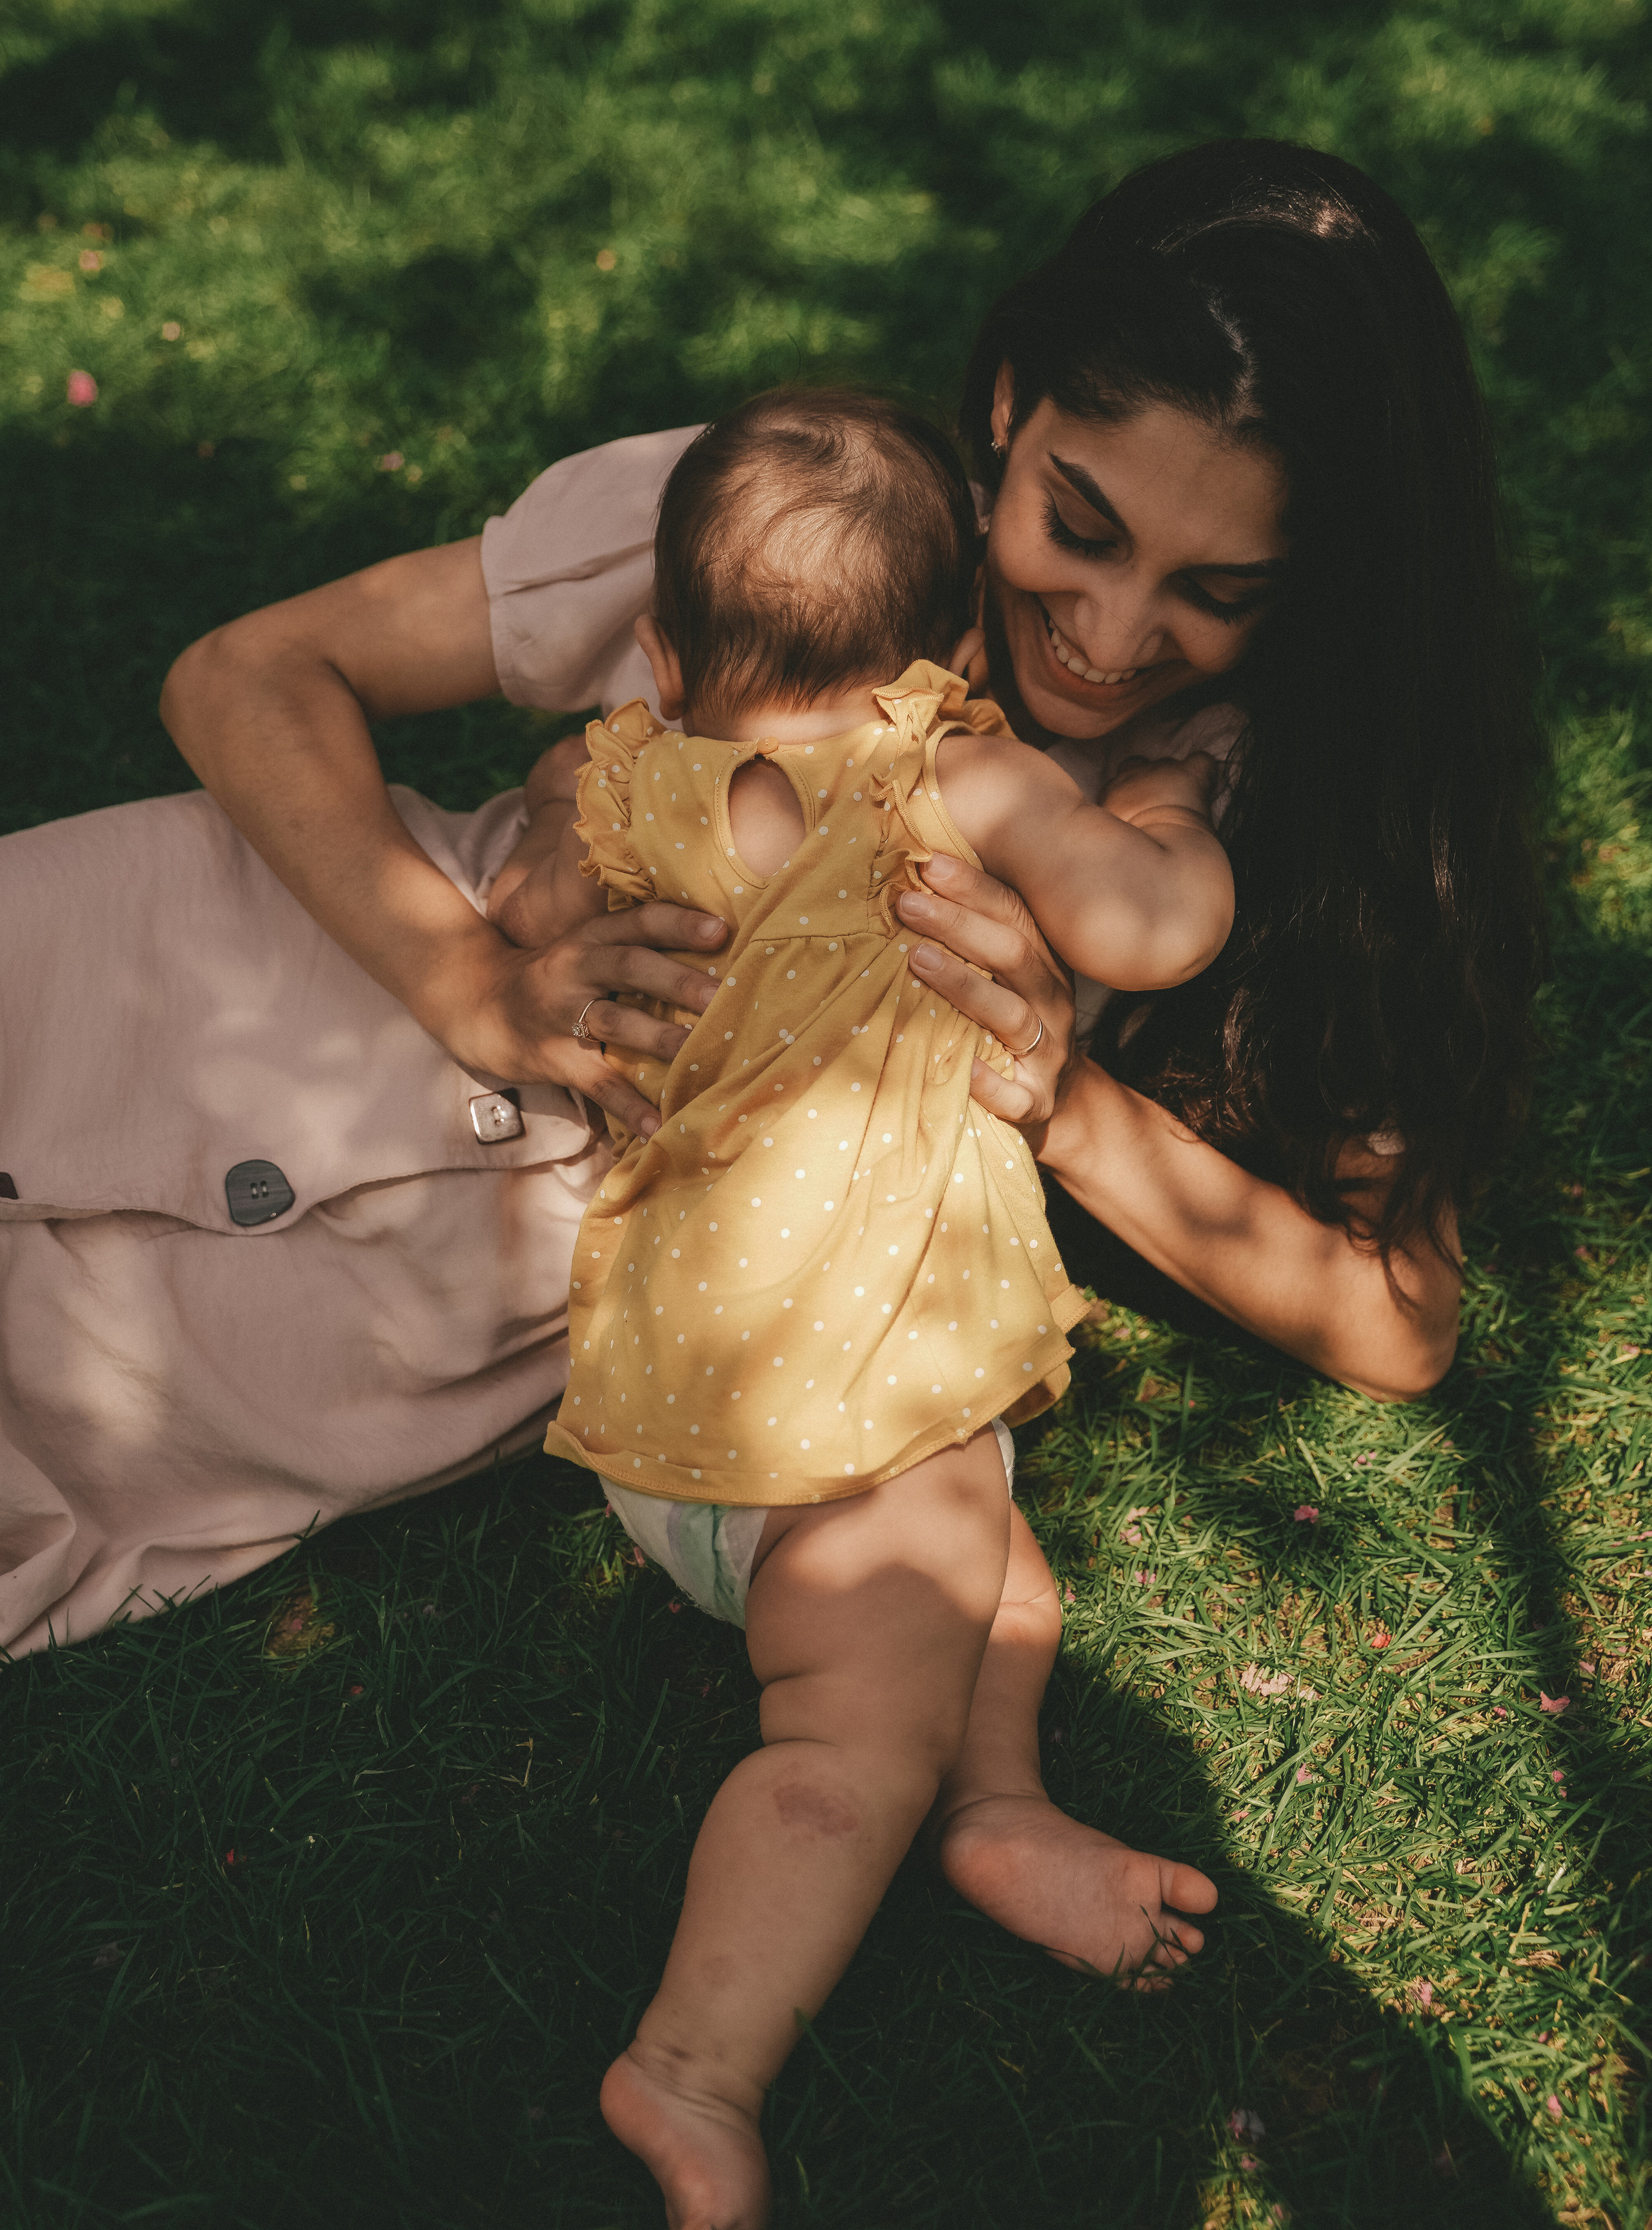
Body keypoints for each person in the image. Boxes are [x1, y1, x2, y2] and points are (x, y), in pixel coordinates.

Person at [0, 139, 1538, 1992]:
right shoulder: (776, 516)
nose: (1118, 636)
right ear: (1004, 412)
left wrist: (1058, 1093)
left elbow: (1397, 1317)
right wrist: (472, 976)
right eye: (1081, 523)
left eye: (1222, 589)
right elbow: (244, 676)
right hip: (183, 980)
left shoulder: (1213, 810)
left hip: (363, 1338)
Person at [545, 388, 1228, 2225]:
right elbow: (1149, 928)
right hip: (841, 1425)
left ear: (668, 647)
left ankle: (996, 1810)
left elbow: (563, 885)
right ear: (938, 656)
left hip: (671, 1412)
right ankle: (693, 2062)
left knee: (1006, 1576)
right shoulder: (946, 764)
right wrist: (1175, 814)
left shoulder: (637, 781)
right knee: (846, 1741)